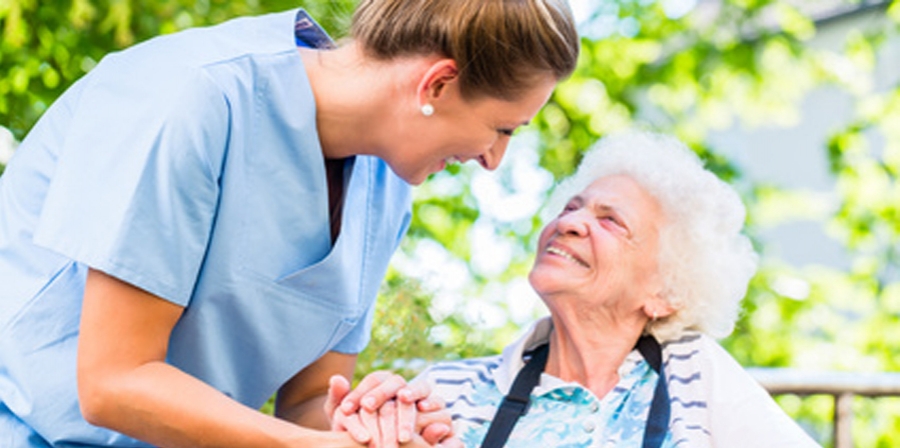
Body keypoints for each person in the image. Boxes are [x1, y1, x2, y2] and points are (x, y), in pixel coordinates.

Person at [0, 0, 579, 446]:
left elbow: (303, 400)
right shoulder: (190, 97)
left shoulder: (384, 191)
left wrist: (369, 427)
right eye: (503, 128)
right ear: (437, 84)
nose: (493, 159)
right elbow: (112, 383)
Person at [413, 132, 822, 447]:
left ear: (665, 293)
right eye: (572, 207)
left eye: (611, 221)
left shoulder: (691, 373)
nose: (570, 223)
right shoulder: (448, 391)